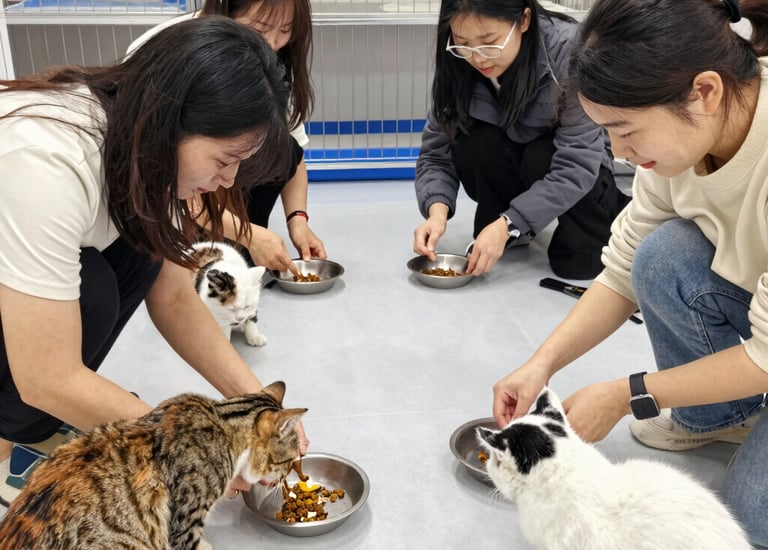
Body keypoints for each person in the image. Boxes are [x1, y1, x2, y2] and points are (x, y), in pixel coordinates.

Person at [0, 17, 308, 507]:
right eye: (224, 160)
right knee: (92, 290)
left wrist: (262, 408)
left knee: (141, 256)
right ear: (171, 121)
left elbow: (171, 296)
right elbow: (46, 374)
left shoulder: (149, 156)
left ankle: (30, 423)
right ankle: (3, 451)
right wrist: (186, 451)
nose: (227, 183)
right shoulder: (45, 161)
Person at [491, 0, 768, 545]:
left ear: (705, 92)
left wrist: (630, 393)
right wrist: (539, 365)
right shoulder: (681, 145)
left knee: (752, 516)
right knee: (660, 254)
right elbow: (620, 272)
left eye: (624, 130)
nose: (618, 153)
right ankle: (722, 413)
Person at [413, 0, 630, 280]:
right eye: (463, 42)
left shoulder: (571, 51)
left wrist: (507, 224)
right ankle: (512, 221)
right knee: (473, 144)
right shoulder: (457, 62)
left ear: (524, 20)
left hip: (579, 170)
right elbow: (436, 154)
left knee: (577, 266)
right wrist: (436, 213)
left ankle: (610, 210)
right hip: (517, 154)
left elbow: (577, 164)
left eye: (489, 41)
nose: (477, 58)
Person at [127, 0, 326, 277]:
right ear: (225, 11)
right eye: (260, 28)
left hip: (206, 190)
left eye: (286, 30)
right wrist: (250, 236)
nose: (271, 43)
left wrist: (297, 221)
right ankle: (206, 240)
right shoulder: (175, 53)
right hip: (166, 188)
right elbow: (161, 171)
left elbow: (295, 155)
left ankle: (237, 239)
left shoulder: (270, 66)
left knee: (285, 148)